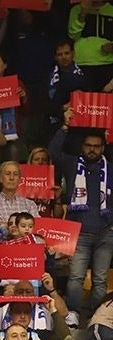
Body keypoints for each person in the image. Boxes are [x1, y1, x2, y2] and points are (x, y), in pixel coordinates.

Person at [49, 116, 113, 327]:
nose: (92, 150)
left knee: (100, 281)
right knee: (75, 277)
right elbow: (54, 152)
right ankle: (74, 315)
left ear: (103, 147)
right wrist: (65, 127)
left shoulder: (110, 168)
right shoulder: (72, 163)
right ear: (82, 146)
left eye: (96, 146)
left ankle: (96, 318)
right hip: (79, 232)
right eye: (88, 146)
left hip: (106, 232)